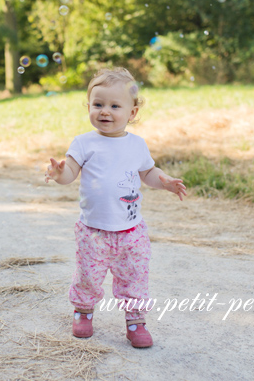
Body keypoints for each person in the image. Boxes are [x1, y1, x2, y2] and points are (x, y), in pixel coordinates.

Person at [45, 67, 187, 348]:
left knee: (134, 276)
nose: (105, 111)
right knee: (88, 275)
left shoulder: (137, 145)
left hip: (131, 231)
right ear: (88, 107)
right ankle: (83, 312)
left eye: (114, 106)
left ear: (132, 113)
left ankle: (135, 320)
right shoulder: (84, 143)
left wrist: (166, 182)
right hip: (93, 231)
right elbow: (70, 173)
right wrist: (59, 173)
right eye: (98, 105)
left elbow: (147, 173)